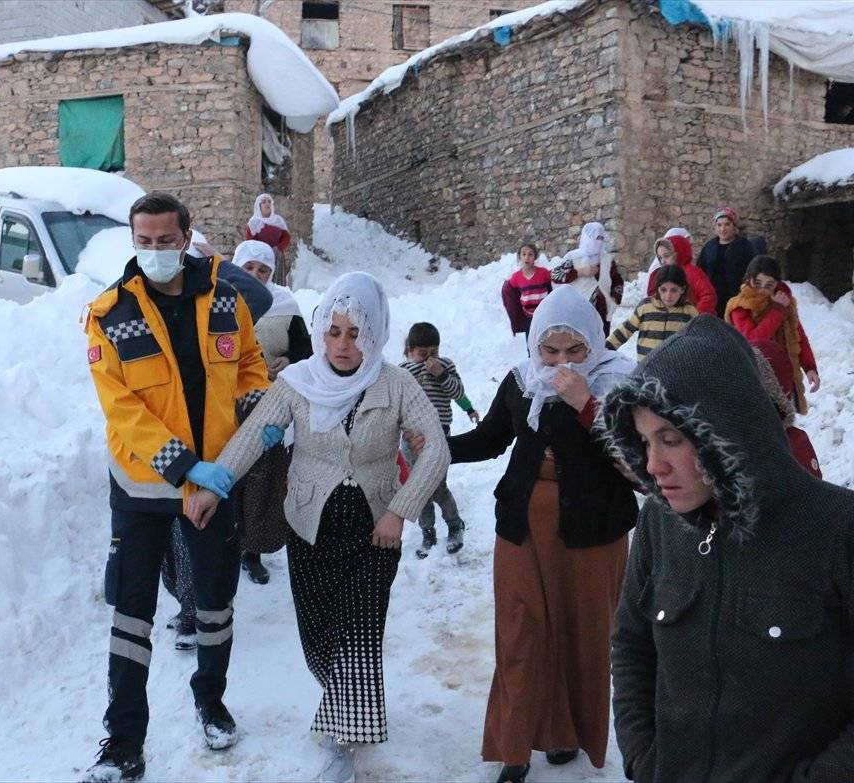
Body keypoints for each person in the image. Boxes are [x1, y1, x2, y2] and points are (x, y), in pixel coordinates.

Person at [601, 315, 854, 783]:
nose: (652, 465)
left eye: (671, 439)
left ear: (728, 432)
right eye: (643, 441)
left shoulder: (842, 526)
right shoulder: (660, 523)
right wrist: (644, 758)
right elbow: (632, 645)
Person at [187, 272, 451, 783]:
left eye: (356, 334)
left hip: (376, 530)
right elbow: (254, 437)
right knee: (318, 639)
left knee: (358, 630)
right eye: (334, 332)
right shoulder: (298, 382)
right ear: (320, 331)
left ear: (373, 335)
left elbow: (435, 449)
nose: (344, 345)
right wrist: (212, 486)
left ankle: (343, 739)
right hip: (309, 526)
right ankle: (348, 699)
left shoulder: (396, 384)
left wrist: (402, 509)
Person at [81, 192, 271, 783]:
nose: (156, 251)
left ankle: (211, 702)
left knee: (214, 603)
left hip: (214, 486)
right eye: (145, 241)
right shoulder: (109, 313)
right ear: (132, 241)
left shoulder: (224, 299)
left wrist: (256, 418)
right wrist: (185, 467)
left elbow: (250, 364)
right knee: (132, 613)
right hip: (144, 487)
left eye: (166, 240)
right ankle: (122, 743)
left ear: (187, 237)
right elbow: (122, 410)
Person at [447, 286, 638, 783]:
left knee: (582, 636)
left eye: (574, 350)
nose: (561, 362)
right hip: (523, 524)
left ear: (594, 343)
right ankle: (515, 748)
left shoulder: (618, 384)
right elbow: (491, 439)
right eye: (549, 351)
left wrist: (585, 404)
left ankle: (564, 734)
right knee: (520, 634)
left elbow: (639, 464)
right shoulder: (522, 382)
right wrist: (437, 449)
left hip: (593, 533)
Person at [232, 239, 313, 584]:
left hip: (273, 403)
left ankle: (253, 549)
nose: (255, 275)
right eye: (248, 268)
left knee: (262, 478)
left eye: (263, 270)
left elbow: (306, 352)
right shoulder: (218, 299)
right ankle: (225, 544)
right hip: (227, 403)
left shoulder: (284, 304)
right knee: (229, 474)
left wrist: (288, 362)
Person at [399, 321, 478, 559]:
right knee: (418, 488)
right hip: (412, 437)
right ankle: (428, 532)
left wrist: (469, 408)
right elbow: (396, 404)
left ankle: (455, 525)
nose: (428, 359)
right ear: (410, 352)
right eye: (422, 354)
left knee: (437, 487)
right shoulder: (402, 372)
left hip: (438, 435)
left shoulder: (446, 367)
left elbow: (457, 392)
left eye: (433, 352)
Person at [723, 255, 820, 414]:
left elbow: (798, 336)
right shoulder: (741, 306)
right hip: (755, 377)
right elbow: (753, 339)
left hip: (784, 375)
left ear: (777, 283)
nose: (763, 290)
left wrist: (810, 367)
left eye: (769, 285)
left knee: (786, 425)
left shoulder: (784, 302)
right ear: (748, 280)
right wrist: (777, 311)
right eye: (758, 283)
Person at [749, 339, 822, 479]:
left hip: (775, 366)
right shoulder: (794, 444)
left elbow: (800, 338)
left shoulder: (795, 445)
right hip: (768, 364)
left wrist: (809, 366)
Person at [608, 265, 699, 360]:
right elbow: (624, 331)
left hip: (675, 370)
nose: (668, 296)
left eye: (674, 290)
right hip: (645, 369)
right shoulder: (645, 307)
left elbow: (699, 342)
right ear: (657, 288)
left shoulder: (690, 312)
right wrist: (605, 349)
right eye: (663, 290)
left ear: (683, 289)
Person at [552, 222, 623, 333]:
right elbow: (555, 275)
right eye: (595, 238)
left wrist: (614, 299)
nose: (598, 241)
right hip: (576, 312)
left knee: (600, 344)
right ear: (587, 237)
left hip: (601, 313)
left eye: (601, 238)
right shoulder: (573, 257)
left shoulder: (607, 259)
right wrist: (579, 272)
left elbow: (617, 282)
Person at [696, 206, 757, 318]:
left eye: (727, 224)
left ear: (734, 226)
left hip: (737, 300)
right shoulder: (709, 247)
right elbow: (700, 272)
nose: (722, 229)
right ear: (715, 227)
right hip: (713, 301)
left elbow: (753, 271)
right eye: (719, 225)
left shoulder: (745, 246)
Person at [643, 235, 716, 315]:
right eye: (660, 258)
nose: (663, 261)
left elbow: (708, 296)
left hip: (691, 322)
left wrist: (696, 316)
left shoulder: (692, 273)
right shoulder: (661, 274)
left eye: (667, 256)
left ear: (678, 253)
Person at [501, 242, 552, 336]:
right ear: (520, 257)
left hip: (544, 315)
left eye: (530, 254)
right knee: (530, 344)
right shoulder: (516, 277)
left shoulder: (543, 273)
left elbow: (555, 280)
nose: (527, 257)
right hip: (528, 317)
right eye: (523, 254)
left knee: (545, 341)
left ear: (535, 257)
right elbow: (509, 291)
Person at [245, 193, 290, 266]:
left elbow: (286, 237)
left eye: (269, 201)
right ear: (259, 206)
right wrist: (262, 251)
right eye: (264, 202)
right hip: (260, 257)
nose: (267, 204)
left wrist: (278, 248)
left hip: (276, 256)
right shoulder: (253, 222)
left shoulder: (278, 220)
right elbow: (250, 241)